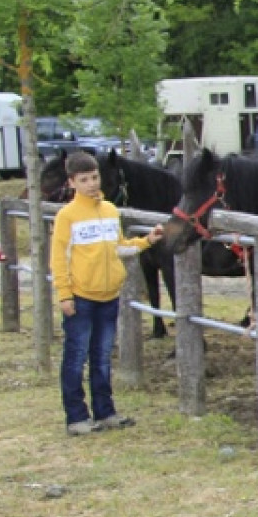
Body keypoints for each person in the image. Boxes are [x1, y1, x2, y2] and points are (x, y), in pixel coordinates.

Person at [52, 151, 164, 436]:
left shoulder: (111, 211)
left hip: (108, 296)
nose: (91, 184)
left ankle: (105, 411)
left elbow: (119, 247)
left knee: (102, 357)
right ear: (73, 182)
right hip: (80, 296)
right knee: (76, 357)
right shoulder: (67, 216)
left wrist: (146, 242)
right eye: (84, 179)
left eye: (94, 177)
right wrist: (65, 294)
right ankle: (76, 416)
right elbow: (59, 258)